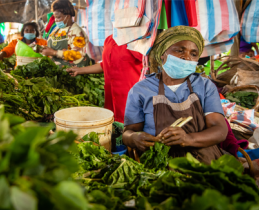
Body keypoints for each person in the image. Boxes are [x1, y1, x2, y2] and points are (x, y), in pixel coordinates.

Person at [122, 26, 228, 165]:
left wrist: (188, 139)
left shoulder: (204, 86)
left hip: (202, 158)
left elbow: (219, 129)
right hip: (158, 159)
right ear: (162, 54)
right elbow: (128, 132)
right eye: (179, 50)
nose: (186, 57)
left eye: (194, 54)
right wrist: (135, 138)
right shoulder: (141, 90)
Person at [66, 35, 143, 123]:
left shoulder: (135, 39)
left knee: (130, 130)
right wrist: (80, 70)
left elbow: (148, 61)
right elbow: (105, 64)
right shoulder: (109, 40)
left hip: (129, 99)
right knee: (113, 128)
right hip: (111, 99)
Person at [41, 0, 90, 67]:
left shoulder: (76, 31)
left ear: (68, 16)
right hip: (56, 69)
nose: (56, 20)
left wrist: (54, 53)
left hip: (72, 71)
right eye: (55, 17)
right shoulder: (56, 29)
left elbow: (78, 54)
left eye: (59, 17)